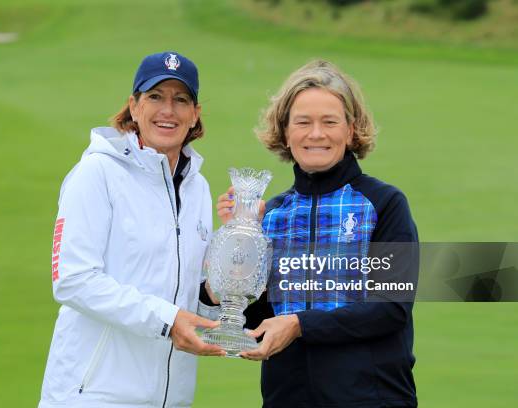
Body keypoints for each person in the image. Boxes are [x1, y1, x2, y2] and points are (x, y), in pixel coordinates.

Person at [215, 60, 419, 407]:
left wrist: (299, 324)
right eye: (303, 122)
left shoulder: (384, 203)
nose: (316, 134)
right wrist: (238, 246)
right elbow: (258, 318)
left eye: (330, 122)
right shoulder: (272, 215)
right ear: (285, 131)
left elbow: (391, 309)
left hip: (373, 399)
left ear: (351, 130)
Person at [39, 51, 224, 408]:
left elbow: (186, 293)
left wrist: (216, 296)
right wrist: (168, 321)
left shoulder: (196, 187)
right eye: (155, 97)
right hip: (93, 395)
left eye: (180, 99)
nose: (168, 110)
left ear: (195, 114)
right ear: (134, 106)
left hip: (172, 398)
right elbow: (74, 280)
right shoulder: (97, 174)